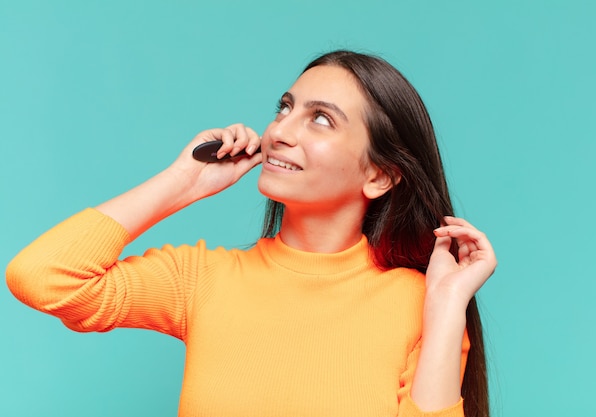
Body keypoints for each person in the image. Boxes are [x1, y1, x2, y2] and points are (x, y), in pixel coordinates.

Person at [6, 50, 496, 417]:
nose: (281, 130)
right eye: (285, 108)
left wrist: (446, 306)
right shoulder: (202, 280)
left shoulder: (421, 303)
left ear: (379, 176)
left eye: (320, 119)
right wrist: (184, 182)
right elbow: (42, 277)